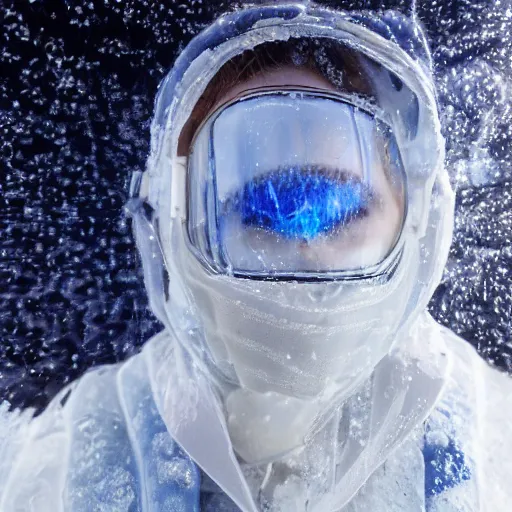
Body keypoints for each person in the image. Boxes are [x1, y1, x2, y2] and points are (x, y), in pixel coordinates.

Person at [1, 2, 511, 511]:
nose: (308, 252)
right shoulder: (65, 462)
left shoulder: (497, 449)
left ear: (419, 216)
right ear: (177, 229)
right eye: (263, 211)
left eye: (344, 207)